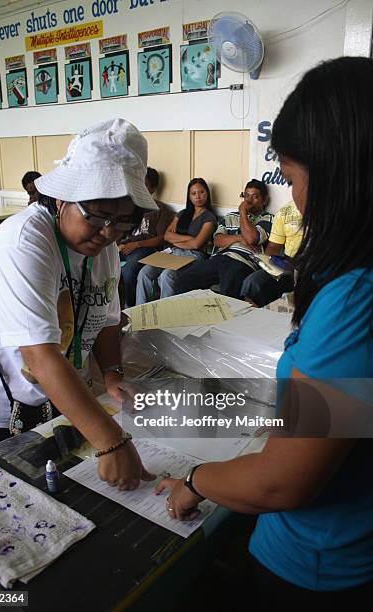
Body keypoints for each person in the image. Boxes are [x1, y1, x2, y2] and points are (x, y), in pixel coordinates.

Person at [156, 57, 373, 602]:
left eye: (295, 179)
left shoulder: (355, 296)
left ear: (337, 176)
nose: (297, 197)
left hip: (315, 564)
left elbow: (284, 479)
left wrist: (194, 480)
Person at [0, 118, 158, 491]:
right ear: (62, 198)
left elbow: (105, 318)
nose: (108, 232)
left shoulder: (103, 246)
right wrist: (111, 441)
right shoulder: (24, 243)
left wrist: (114, 374)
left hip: (65, 402)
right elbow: (39, 356)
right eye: (98, 215)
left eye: (123, 221)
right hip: (1, 410)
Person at [173, 180, 273, 299]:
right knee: (182, 282)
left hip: (243, 261)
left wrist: (243, 213)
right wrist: (240, 238)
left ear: (264, 200)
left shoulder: (268, 218)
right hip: (220, 258)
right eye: (246, 196)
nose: (249, 201)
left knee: (229, 294)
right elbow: (218, 240)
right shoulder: (230, 216)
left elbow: (251, 239)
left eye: (254, 197)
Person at [136, 178, 217, 304]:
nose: (198, 197)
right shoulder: (183, 213)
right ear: (189, 196)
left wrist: (177, 239)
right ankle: (140, 311)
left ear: (207, 193)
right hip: (173, 252)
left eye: (201, 192)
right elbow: (167, 236)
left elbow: (196, 244)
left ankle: (165, 315)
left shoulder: (209, 217)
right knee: (144, 272)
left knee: (167, 275)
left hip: (194, 256)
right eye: (193, 193)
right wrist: (188, 239)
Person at [119, 167, 173, 307]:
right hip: (125, 246)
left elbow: (161, 238)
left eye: (144, 184)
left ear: (153, 188)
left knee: (129, 271)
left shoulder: (160, 208)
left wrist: (137, 245)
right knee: (102, 262)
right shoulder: (131, 207)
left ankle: (130, 308)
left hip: (145, 248)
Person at [241, 200, 302, 306]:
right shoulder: (285, 212)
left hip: (318, 265)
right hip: (289, 264)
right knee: (252, 283)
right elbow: (274, 246)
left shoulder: (332, 210)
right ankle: (260, 319)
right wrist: (268, 264)